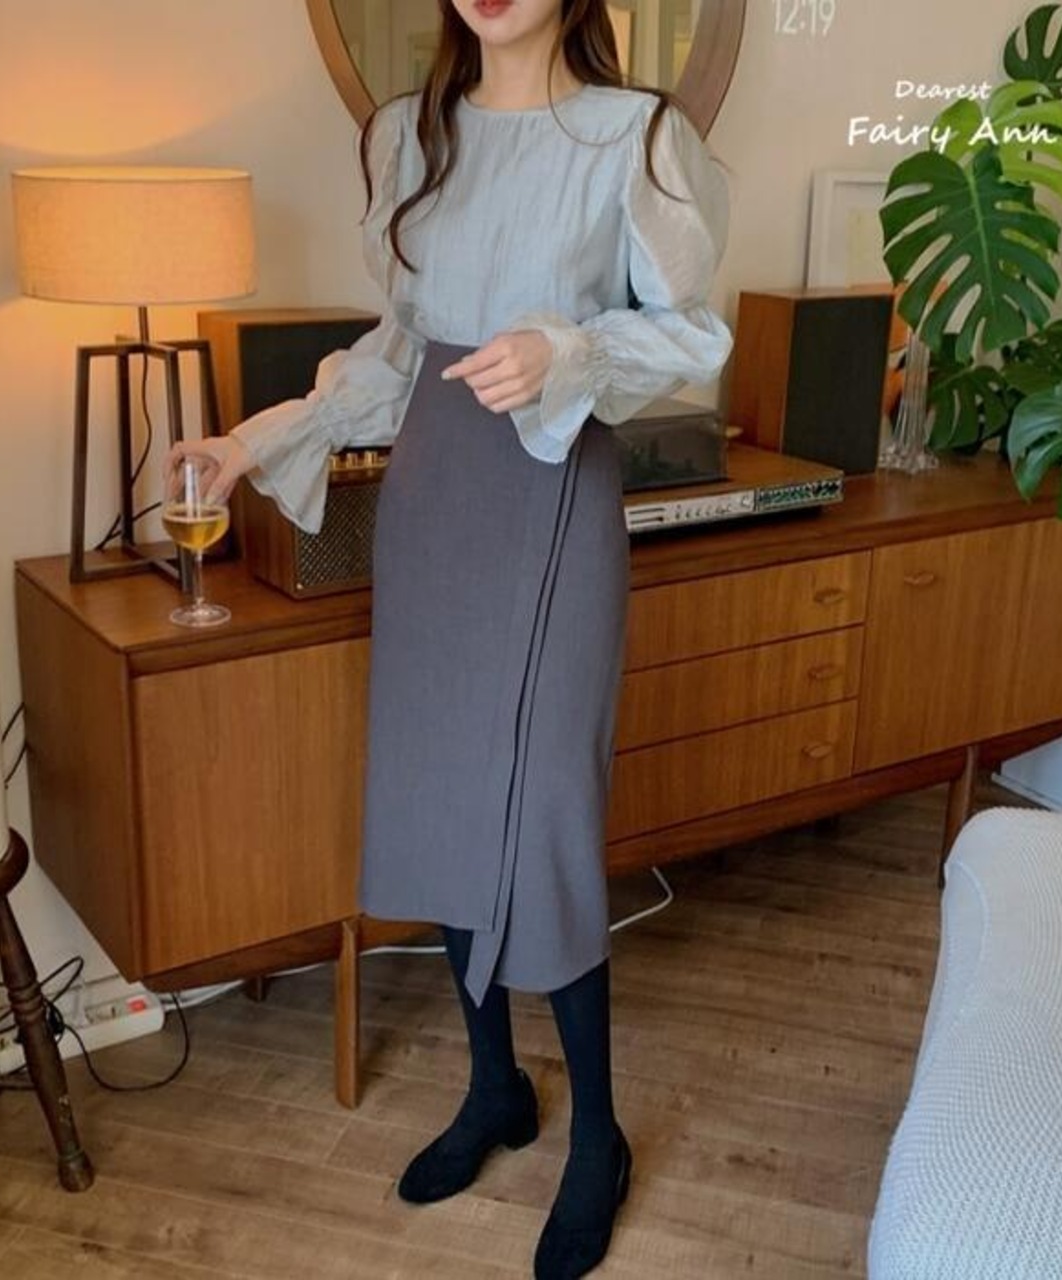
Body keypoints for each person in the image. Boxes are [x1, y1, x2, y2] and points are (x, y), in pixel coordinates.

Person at [166, 2, 731, 1274]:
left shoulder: (634, 137)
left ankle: (596, 1135)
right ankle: (493, 1087)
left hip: (551, 495)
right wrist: (248, 441)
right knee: (441, 803)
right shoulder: (405, 138)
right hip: (433, 506)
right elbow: (401, 352)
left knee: (542, 821)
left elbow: (691, 335)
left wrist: (563, 347)